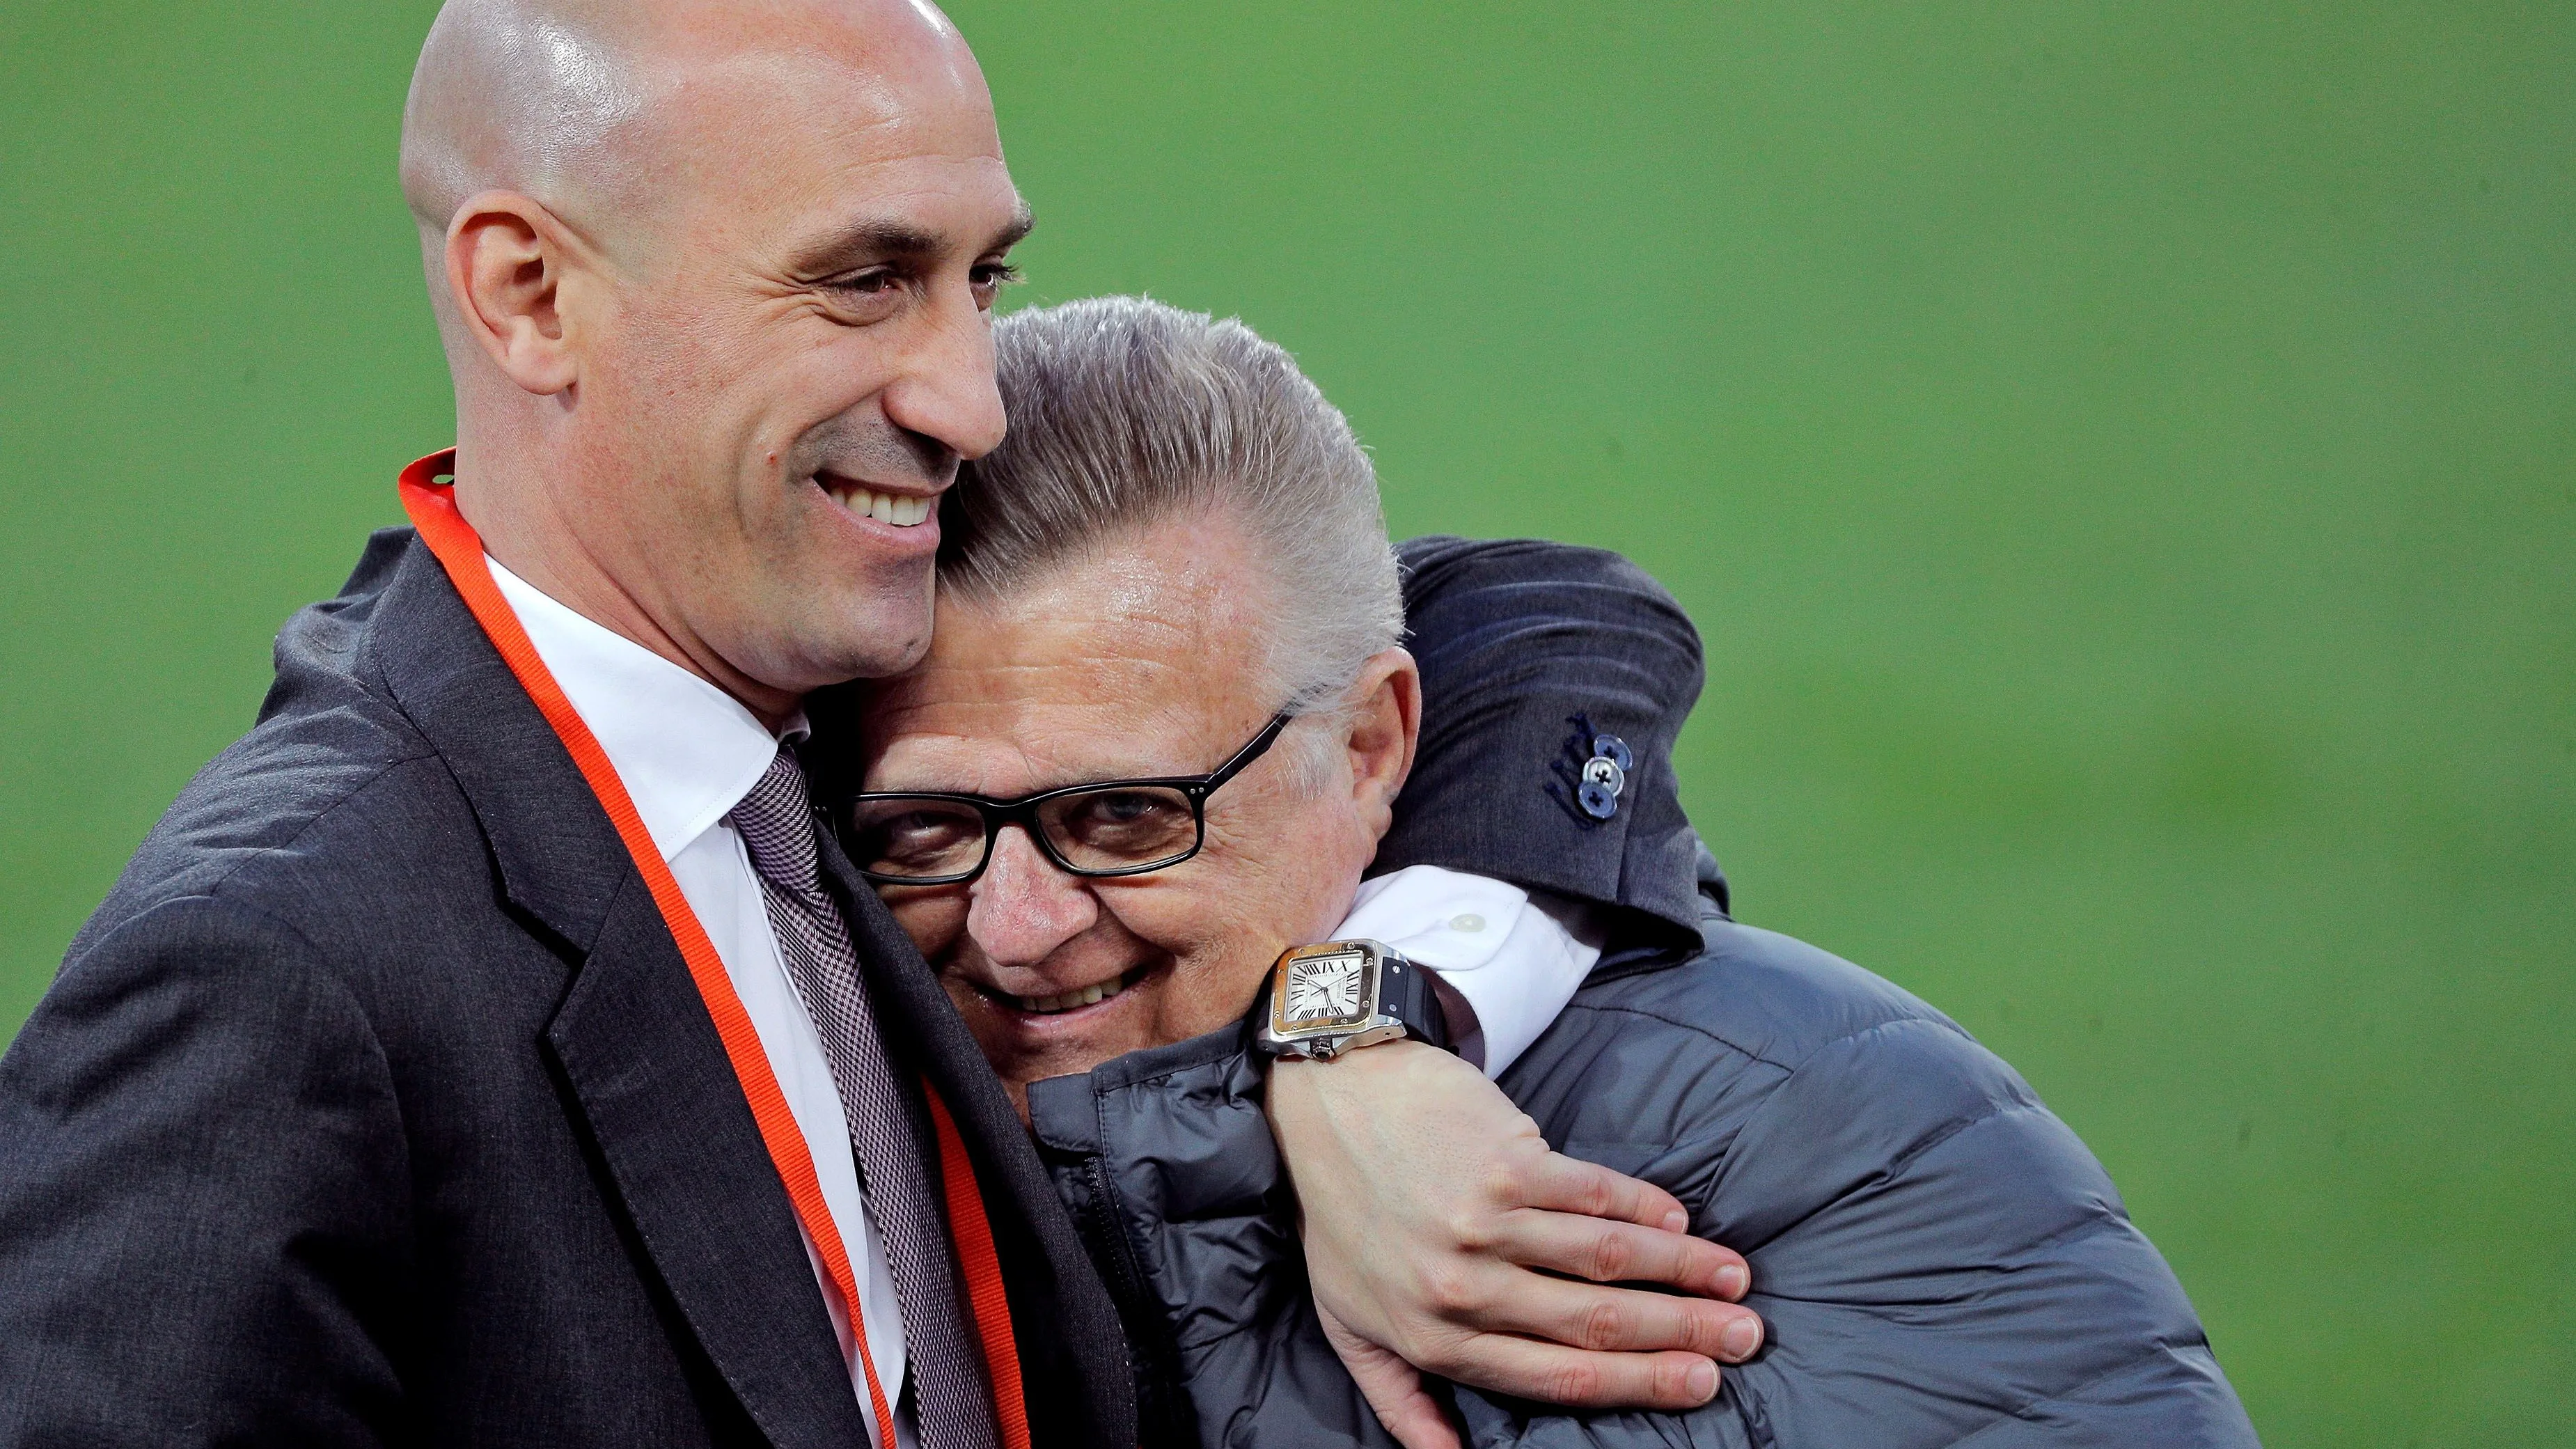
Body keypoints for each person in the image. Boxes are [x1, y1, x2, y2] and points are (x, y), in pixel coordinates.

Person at [0, 5, 1754, 1447]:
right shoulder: (273, 971)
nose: (966, 399)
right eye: (861, 282)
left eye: (978, 280)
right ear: (531, 293)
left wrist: (1361, 1026)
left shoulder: (814, 691)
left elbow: (1526, 619)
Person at [832, 295, 2265, 1447]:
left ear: (1377, 741)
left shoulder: (1817, 1154)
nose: (1016, 929)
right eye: (924, 830)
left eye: (1127, 819)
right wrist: (1349, 1021)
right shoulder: (777, 1038)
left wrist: (1346, 1017)